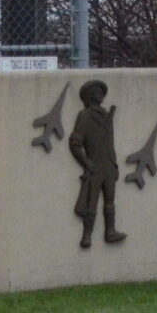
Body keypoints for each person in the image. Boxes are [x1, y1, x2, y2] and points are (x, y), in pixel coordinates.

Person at [67, 80, 125, 248]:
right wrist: (86, 164)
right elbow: (75, 143)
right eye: (97, 91)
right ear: (90, 95)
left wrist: (114, 165)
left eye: (101, 91)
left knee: (110, 201)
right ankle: (86, 237)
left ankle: (110, 231)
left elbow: (110, 144)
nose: (101, 94)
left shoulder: (107, 116)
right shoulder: (84, 116)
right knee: (90, 203)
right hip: (94, 166)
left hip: (108, 165)